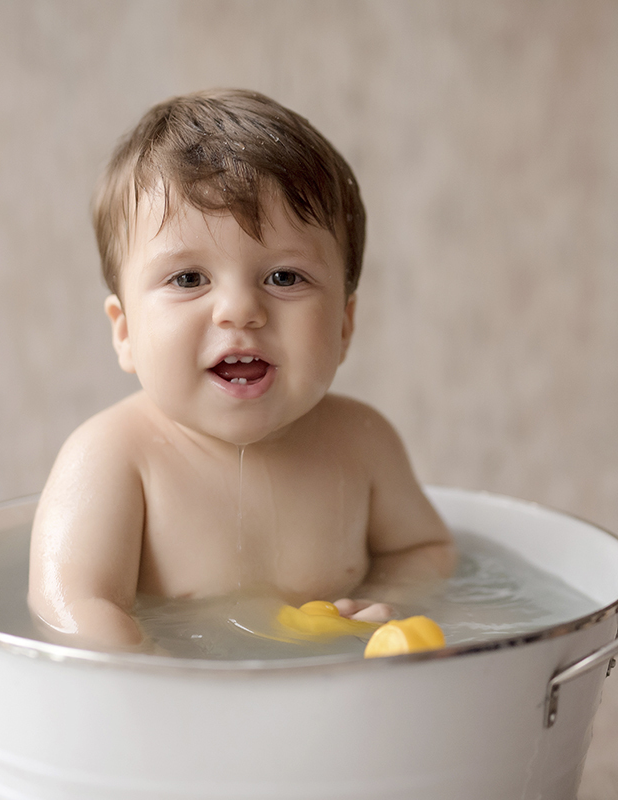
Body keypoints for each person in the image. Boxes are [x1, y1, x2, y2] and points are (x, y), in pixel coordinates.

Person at [28, 89, 455, 650]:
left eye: (284, 277)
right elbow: (70, 606)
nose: (239, 310)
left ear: (344, 325)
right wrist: (148, 670)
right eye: (188, 279)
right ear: (125, 330)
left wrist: (386, 600)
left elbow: (426, 551)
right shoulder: (113, 457)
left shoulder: (363, 444)